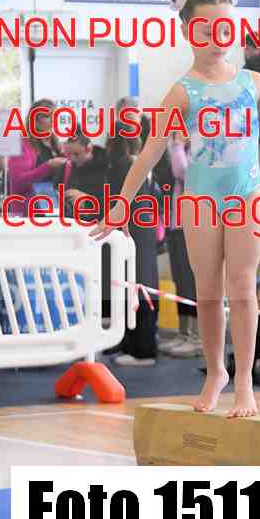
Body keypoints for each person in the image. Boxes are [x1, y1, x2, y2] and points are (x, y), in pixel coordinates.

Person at [89, 0, 260, 418]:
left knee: (242, 287)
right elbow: (149, 153)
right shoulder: (182, 92)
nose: (217, 39)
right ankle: (215, 372)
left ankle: (243, 381)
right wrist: (121, 204)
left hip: (247, 197)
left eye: (225, 29)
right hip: (201, 202)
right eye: (206, 30)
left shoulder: (254, 83)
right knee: (207, 292)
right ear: (189, 31)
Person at [104, 123, 159, 366]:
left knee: (136, 287)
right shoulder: (141, 163)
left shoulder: (122, 165)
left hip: (133, 230)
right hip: (144, 229)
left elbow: (114, 200)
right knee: (138, 285)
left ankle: (142, 349)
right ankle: (132, 343)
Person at [158, 132, 201, 358]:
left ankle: (198, 337)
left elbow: (183, 172)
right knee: (181, 281)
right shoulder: (182, 151)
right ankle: (184, 333)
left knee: (192, 282)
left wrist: (176, 145)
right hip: (177, 225)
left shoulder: (202, 150)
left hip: (193, 225)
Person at [7, 99, 69, 217]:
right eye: (47, 116)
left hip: (54, 208)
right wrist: (48, 166)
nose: (54, 119)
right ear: (34, 120)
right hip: (29, 211)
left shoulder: (57, 145)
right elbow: (18, 182)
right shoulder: (22, 145)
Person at [64, 127, 108, 222]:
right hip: (74, 220)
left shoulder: (107, 167)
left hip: (98, 222)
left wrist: (87, 199)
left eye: (77, 154)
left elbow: (113, 204)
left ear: (89, 149)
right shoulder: (70, 165)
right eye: (69, 154)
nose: (73, 159)